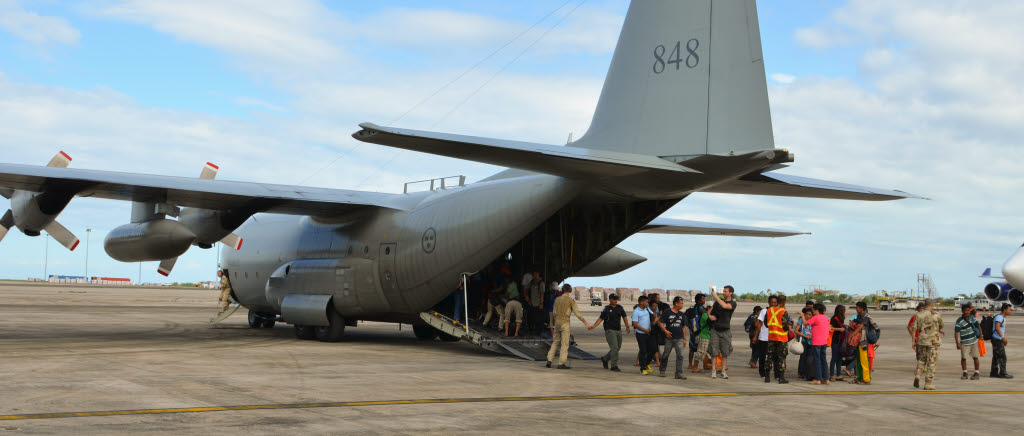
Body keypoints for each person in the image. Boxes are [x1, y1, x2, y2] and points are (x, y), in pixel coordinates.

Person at [546, 284, 591, 369]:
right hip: (565, 323)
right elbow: (578, 314)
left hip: (557, 322)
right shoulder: (570, 300)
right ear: (570, 290)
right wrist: (586, 323)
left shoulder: (557, 299)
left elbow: (554, 312)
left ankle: (549, 360)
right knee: (565, 344)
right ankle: (561, 363)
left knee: (555, 342)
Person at [589, 293, 630, 372]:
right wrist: (594, 326)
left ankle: (605, 359)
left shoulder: (620, 308)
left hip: (618, 330)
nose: (615, 300)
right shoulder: (606, 308)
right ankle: (614, 365)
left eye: (616, 299)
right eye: (614, 299)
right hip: (609, 330)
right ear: (610, 300)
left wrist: (627, 326)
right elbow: (601, 318)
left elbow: (624, 317)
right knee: (614, 347)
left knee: (617, 348)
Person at [707, 285, 738, 380]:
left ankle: (723, 371)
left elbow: (725, 306)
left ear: (730, 293)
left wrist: (715, 296)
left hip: (726, 331)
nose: (724, 293)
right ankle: (713, 371)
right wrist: (709, 316)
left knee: (725, 352)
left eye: (725, 291)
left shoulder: (733, 303)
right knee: (714, 352)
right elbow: (709, 310)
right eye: (723, 291)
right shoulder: (717, 302)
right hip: (715, 330)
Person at [912, 299, 944, 390]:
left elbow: (914, 328)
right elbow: (941, 325)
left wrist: (913, 342)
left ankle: (918, 374)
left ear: (924, 305)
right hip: (933, 341)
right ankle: (928, 383)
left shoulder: (918, 314)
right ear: (931, 305)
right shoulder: (936, 315)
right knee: (932, 362)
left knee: (921, 359)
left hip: (921, 341)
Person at [657, 296, 689, 379]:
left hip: (679, 338)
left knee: (680, 356)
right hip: (669, 338)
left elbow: (683, 327)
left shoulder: (682, 314)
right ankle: (662, 370)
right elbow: (660, 322)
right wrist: (666, 331)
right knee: (665, 355)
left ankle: (679, 373)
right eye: (681, 303)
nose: (682, 305)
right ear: (676, 303)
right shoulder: (667, 312)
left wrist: (684, 339)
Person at [763, 295, 791, 384]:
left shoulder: (769, 310)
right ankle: (781, 377)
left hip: (772, 337)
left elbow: (766, 324)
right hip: (781, 338)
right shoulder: (783, 311)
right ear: (783, 302)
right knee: (781, 357)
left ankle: (767, 377)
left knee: (769, 357)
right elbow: (786, 326)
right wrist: (789, 326)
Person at [954, 303, 981, 380]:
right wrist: (957, 343)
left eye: (968, 310)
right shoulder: (959, 321)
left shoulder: (972, 318)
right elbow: (956, 332)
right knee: (963, 358)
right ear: (962, 311)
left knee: (975, 357)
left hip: (974, 341)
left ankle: (977, 373)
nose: (967, 312)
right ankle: (965, 373)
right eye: (965, 310)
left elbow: (978, 325)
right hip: (965, 342)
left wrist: (981, 335)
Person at [806, 303, 831, 385]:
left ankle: (818, 379)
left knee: (817, 361)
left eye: (813, 309)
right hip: (824, 341)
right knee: (823, 360)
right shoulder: (825, 317)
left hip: (816, 342)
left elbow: (806, 323)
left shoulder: (815, 317)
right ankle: (826, 378)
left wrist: (802, 315)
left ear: (816, 310)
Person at [849, 302, 873, 384]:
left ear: (862, 308)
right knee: (858, 361)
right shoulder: (858, 316)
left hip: (863, 341)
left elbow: (860, 327)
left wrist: (851, 335)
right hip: (858, 341)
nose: (856, 309)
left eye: (858, 307)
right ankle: (859, 377)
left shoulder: (866, 317)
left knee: (864, 360)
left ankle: (866, 379)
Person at [632, 295, 656, 375]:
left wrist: (655, 319)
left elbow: (653, 315)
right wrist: (644, 330)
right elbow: (635, 324)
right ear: (641, 302)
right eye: (646, 302)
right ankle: (642, 368)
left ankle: (646, 363)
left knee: (653, 349)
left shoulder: (647, 309)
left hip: (649, 333)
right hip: (641, 334)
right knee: (643, 351)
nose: (647, 303)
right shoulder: (636, 311)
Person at [752, 297, 774, 380]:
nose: (773, 304)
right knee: (762, 356)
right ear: (768, 302)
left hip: (774, 337)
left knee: (772, 356)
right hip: (764, 337)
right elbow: (759, 324)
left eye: (775, 302)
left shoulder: (778, 311)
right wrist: (755, 336)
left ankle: (771, 372)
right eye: (772, 302)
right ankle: (762, 372)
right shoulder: (764, 311)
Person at [991, 303, 1013, 379]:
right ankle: (1003, 373)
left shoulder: (1000, 316)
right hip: (997, 339)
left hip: (996, 338)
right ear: (1005, 310)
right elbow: (997, 327)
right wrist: (1003, 337)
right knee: (1003, 357)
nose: (1011, 311)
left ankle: (993, 372)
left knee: (996, 357)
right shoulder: (1000, 317)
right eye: (1009, 309)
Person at [686, 293, 707, 372]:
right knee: (702, 348)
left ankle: (690, 364)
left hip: (693, 330)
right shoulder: (701, 308)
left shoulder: (693, 308)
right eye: (703, 299)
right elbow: (705, 315)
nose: (704, 300)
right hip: (699, 331)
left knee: (692, 348)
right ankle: (703, 365)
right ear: (699, 300)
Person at [829, 305, 847, 382]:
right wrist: (839, 329)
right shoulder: (834, 319)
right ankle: (832, 375)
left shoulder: (840, 319)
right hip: (835, 341)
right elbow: (830, 327)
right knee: (834, 358)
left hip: (840, 341)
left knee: (839, 358)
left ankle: (839, 374)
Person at [795, 307, 814, 380]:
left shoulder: (813, 321)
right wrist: (805, 336)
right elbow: (796, 331)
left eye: (810, 314)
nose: (808, 316)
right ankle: (801, 373)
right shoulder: (801, 320)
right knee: (803, 357)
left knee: (810, 358)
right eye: (807, 314)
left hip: (812, 341)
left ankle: (808, 373)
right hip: (804, 341)